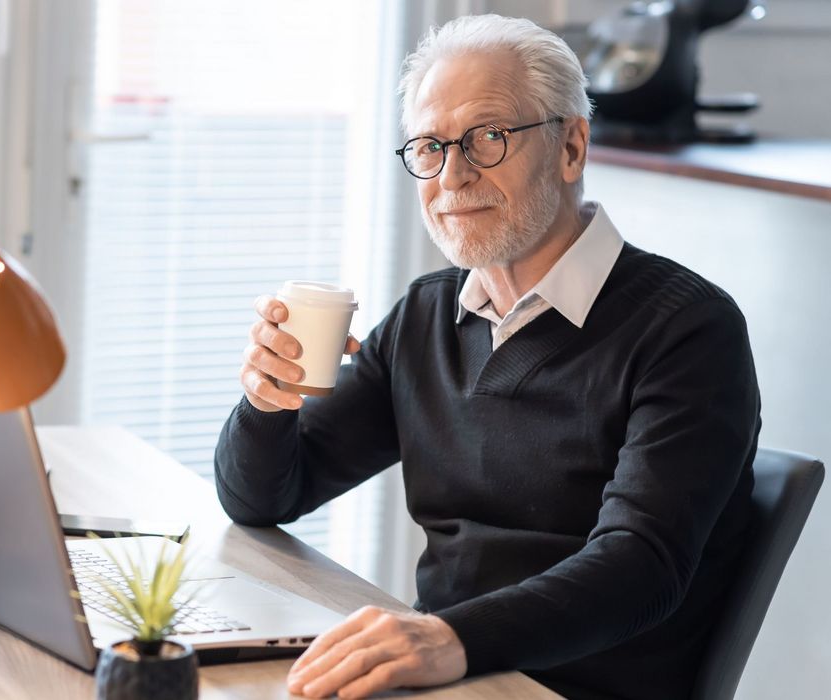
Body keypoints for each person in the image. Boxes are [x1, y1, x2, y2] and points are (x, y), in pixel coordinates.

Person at [213, 14, 761, 700]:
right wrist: (267, 402)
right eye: (430, 146)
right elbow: (264, 497)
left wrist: (450, 638)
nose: (452, 175)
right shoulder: (427, 315)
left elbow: (642, 564)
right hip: (450, 677)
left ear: (571, 147)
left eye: (488, 137)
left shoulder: (687, 330)